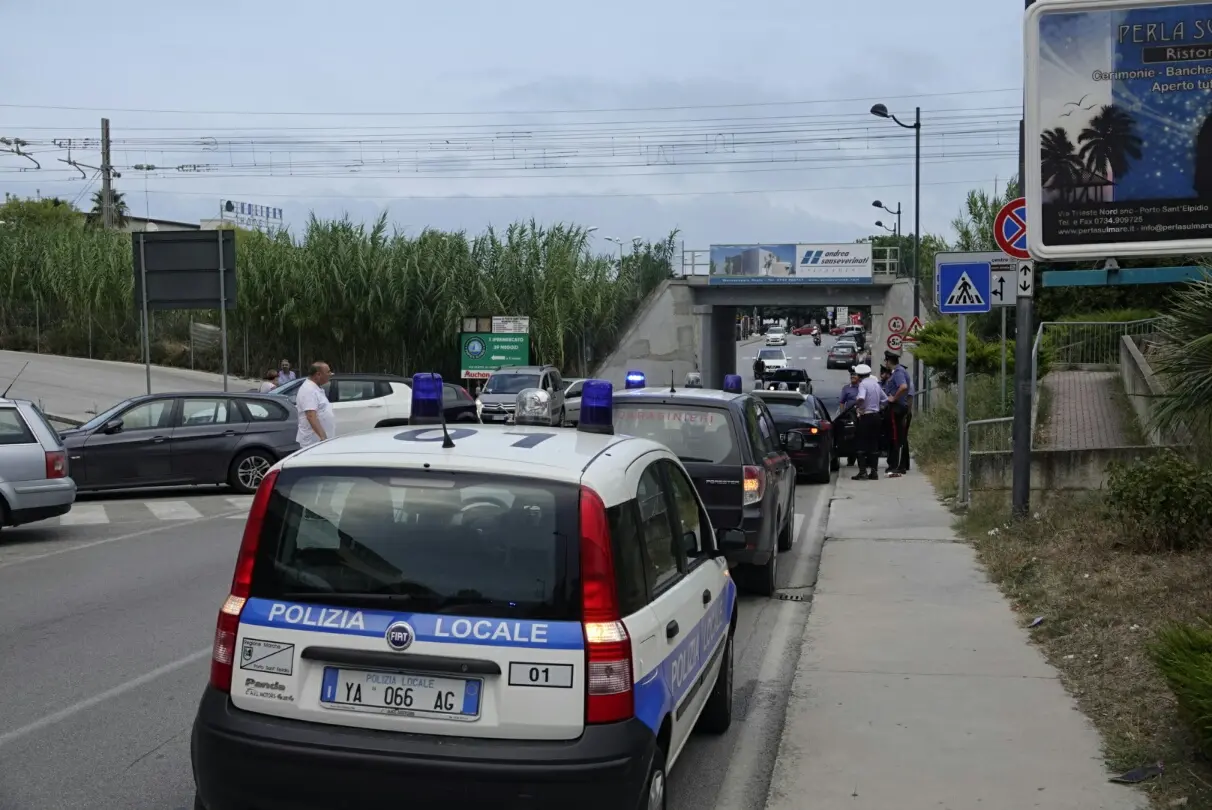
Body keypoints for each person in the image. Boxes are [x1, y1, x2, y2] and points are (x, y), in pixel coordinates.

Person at [852, 363, 885, 481]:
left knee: (861, 444)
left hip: (866, 417)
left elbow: (861, 397)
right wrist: (878, 407)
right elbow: (885, 399)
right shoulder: (876, 384)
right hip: (876, 417)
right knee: (873, 444)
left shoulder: (863, 385)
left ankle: (862, 472)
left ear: (859, 375)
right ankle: (874, 472)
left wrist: (859, 407)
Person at [883, 351, 914, 476]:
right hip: (897, 407)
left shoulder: (898, 372)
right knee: (896, 436)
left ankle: (897, 466)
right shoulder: (898, 371)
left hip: (897, 407)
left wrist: (894, 398)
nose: (885, 363)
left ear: (889, 361)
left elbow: (903, 386)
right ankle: (898, 465)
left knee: (897, 437)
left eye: (886, 361)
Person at [296, 361, 335, 449]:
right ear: (318, 375)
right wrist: (323, 437)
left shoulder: (315, 388)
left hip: (318, 441)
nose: (331, 374)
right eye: (328, 372)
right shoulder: (309, 390)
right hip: (314, 441)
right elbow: (310, 415)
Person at [838, 370, 862, 466]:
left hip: (861, 414)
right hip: (850, 415)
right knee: (851, 437)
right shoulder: (846, 388)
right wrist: (842, 413)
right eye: (851, 375)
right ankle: (851, 458)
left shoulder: (862, 388)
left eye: (854, 375)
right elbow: (842, 402)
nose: (852, 376)